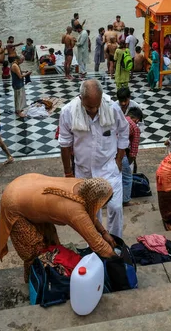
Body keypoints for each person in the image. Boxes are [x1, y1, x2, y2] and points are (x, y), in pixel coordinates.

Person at [0, 174, 117, 282]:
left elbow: (89, 211)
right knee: (35, 251)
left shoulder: (82, 186)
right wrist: (117, 259)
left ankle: (46, 277)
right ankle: (36, 284)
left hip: (25, 186)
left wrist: (103, 232)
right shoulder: (74, 210)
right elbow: (97, 244)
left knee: (50, 242)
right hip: (13, 203)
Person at [58, 79, 130, 238]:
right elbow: (64, 144)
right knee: (91, 213)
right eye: (90, 107)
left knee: (116, 208)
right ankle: (97, 244)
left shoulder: (111, 108)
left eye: (97, 106)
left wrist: (119, 159)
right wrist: (68, 174)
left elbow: (124, 131)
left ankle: (116, 243)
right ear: (81, 99)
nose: (95, 110)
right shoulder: (68, 112)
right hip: (84, 172)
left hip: (109, 168)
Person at [122, 106, 143, 205]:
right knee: (127, 177)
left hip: (107, 152)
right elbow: (133, 152)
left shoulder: (121, 119)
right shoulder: (135, 127)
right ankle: (125, 200)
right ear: (137, 119)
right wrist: (127, 164)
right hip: (120, 154)